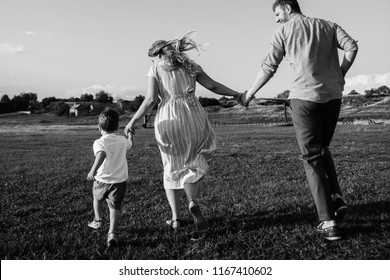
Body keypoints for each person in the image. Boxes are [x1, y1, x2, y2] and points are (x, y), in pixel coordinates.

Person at [244, 0, 358, 240]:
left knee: (312, 157)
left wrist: (249, 93)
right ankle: (336, 196)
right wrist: (340, 74)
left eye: (277, 13)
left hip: (303, 100)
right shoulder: (328, 25)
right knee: (322, 148)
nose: (276, 19)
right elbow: (351, 48)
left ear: (287, 7)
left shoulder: (283, 31)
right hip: (332, 97)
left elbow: (269, 66)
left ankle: (328, 222)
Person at [124, 31, 245, 230]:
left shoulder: (155, 68)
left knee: (171, 166)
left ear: (159, 55)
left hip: (168, 118)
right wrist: (237, 94)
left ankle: (176, 219)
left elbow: (151, 100)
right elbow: (213, 86)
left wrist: (132, 121)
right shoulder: (190, 66)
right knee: (193, 162)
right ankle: (191, 201)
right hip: (193, 116)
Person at [87, 108, 133, 247]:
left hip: (101, 180)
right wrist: (130, 135)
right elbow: (130, 144)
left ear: (99, 127)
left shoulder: (99, 142)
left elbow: (101, 155)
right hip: (118, 182)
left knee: (97, 197)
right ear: (117, 127)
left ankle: (98, 219)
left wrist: (92, 171)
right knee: (114, 207)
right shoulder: (122, 140)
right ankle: (112, 233)